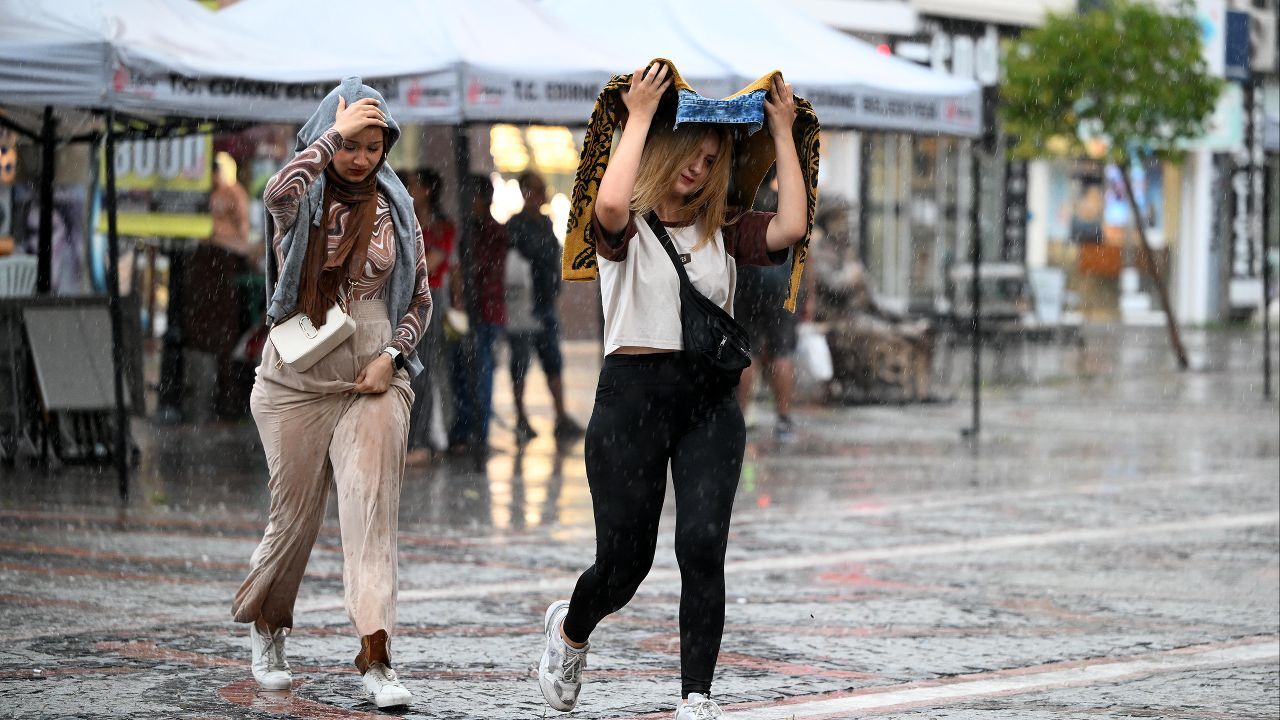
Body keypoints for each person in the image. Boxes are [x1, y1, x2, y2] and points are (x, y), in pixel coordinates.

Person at [538, 62, 812, 719]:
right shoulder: (624, 225)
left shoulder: (726, 229)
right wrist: (637, 116)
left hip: (709, 404)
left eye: (711, 157)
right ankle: (571, 631)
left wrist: (780, 131)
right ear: (664, 151)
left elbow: (794, 227)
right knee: (622, 567)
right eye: (688, 152)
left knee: (701, 545)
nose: (698, 166)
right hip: (630, 400)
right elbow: (605, 205)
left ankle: (696, 695)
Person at [231, 78, 430, 709]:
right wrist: (327, 140)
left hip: (373, 379)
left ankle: (376, 655)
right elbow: (276, 193)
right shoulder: (303, 196)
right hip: (296, 378)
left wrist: (394, 356)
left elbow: (419, 296)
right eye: (352, 144)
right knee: (294, 519)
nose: (362, 158)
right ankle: (269, 629)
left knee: (371, 511)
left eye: (375, 146)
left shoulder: (397, 208)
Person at [504, 171, 584, 443]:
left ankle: (560, 415)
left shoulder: (546, 223)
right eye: (536, 190)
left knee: (553, 361)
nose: (542, 195)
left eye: (542, 189)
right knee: (520, 363)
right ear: (525, 192)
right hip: (523, 306)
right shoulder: (516, 225)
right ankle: (521, 417)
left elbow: (551, 256)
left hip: (545, 303)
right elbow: (530, 256)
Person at [733, 170, 800, 443]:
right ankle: (783, 419)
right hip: (780, 282)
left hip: (746, 280)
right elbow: (803, 245)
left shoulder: (741, 201)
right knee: (780, 351)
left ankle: (741, 415)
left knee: (746, 351)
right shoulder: (784, 201)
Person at [398, 167, 456, 465]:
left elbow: (428, 265)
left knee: (422, 370)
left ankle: (419, 441)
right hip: (400, 301)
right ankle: (405, 439)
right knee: (402, 370)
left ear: (428, 191)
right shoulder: (401, 220)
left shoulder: (441, 227)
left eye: (415, 185)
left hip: (428, 301)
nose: (409, 190)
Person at [447, 174, 506, 457]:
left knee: (480, 374)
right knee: (461, 372)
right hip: (465, 312)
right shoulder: (468, 229)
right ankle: (465, 430)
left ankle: (477, 434)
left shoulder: (492, 231)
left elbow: (482, 269)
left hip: (485, 313)